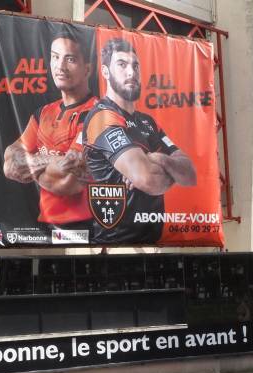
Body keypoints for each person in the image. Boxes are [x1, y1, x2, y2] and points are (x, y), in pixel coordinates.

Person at [82, 38, 196, 244]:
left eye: (135, 66)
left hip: (153, 240)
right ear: (105, 72)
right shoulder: (102, 117)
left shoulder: (147, 122)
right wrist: (167, 168)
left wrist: (156, 158)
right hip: (115, 245)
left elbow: (189, 174)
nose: (131, 72)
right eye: (122, 65)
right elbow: (149, 179)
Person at [3, 28, 97, 229]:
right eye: (55, 57)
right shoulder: (43, 112)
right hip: (45, 226)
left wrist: (30, 164)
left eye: (70, 59)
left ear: (87, 69)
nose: (60, 66)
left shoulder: (99, 114)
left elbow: (67, 182)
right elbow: (9, 162)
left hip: (86, 228)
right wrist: (51, 162)